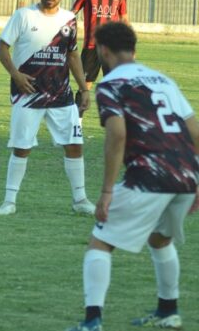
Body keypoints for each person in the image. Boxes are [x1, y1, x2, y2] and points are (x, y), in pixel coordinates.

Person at [66, 22, 199, 331]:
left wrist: (107, 191)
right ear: (134, 49)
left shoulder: (111, 85)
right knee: (160, 239)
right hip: (186, 174)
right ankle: (168, 312)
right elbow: (194, 131)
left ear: (103, 50)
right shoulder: (163, 80)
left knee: (101, 242)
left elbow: (117, 134)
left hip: (150, 176)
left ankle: (92, 321)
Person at [0, 0, 95, 216]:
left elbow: (72, 55)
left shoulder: (69, 19)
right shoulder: (23, 16)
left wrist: (84, 89)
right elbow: (1, 48)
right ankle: (9, 202)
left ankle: (80, 200)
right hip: (28, 94)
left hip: (61, 95)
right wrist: (16, 75)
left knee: (74, 144)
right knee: (22, 147)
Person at [71, 0, 129, 119]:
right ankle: (76, 122)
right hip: (91, 46)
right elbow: (72, 13)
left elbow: (124, 19)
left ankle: (116, 123)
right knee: (85, 86)